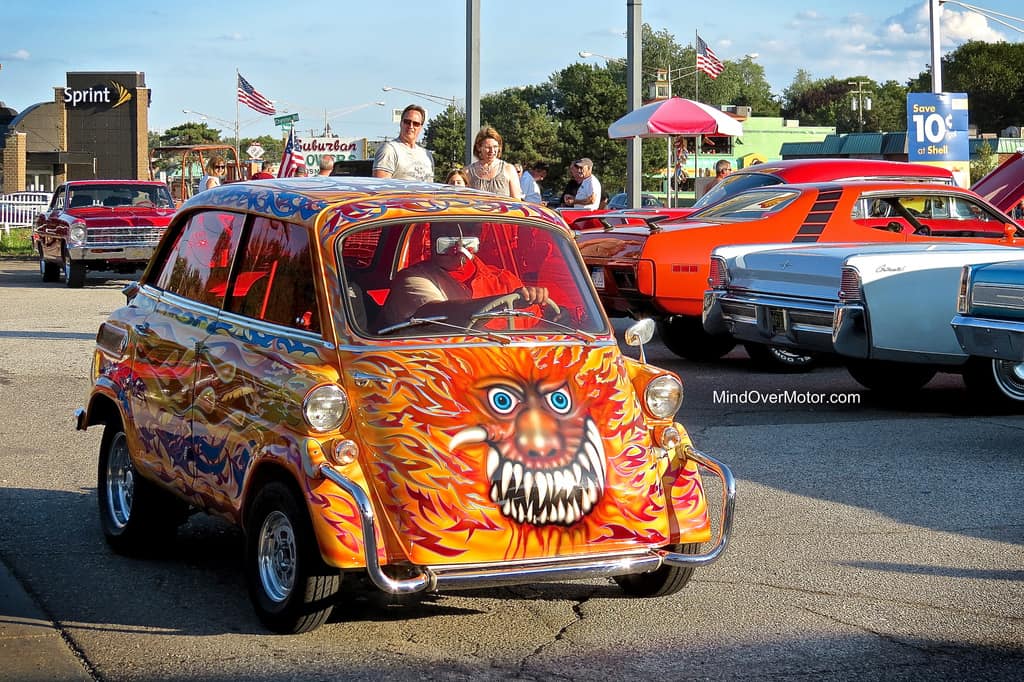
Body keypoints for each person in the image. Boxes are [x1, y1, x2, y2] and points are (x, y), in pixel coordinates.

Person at [379, 223, 549, 329]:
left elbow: (535, 327)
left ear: (478, 235)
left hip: (511, 365)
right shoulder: (412, 278)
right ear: (432, 236)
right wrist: (503, 303)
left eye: (467, 229)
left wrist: (548, 312)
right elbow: (434, 316)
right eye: (445, 231)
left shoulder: (505, 279)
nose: (457, 238)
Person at [372, 104, 434, 182]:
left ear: (421, 127)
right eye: (407, 122)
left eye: (416, 123)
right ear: (401, 123)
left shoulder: (427, 155)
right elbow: (381, 185)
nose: (411, 126)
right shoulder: (389, 150)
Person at [465, 126, 523, 199]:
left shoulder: (509, 170)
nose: (492, 151)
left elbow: (516, 201)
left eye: (495, 146)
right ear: (479, 147)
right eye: (487, 147)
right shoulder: (467, 172)